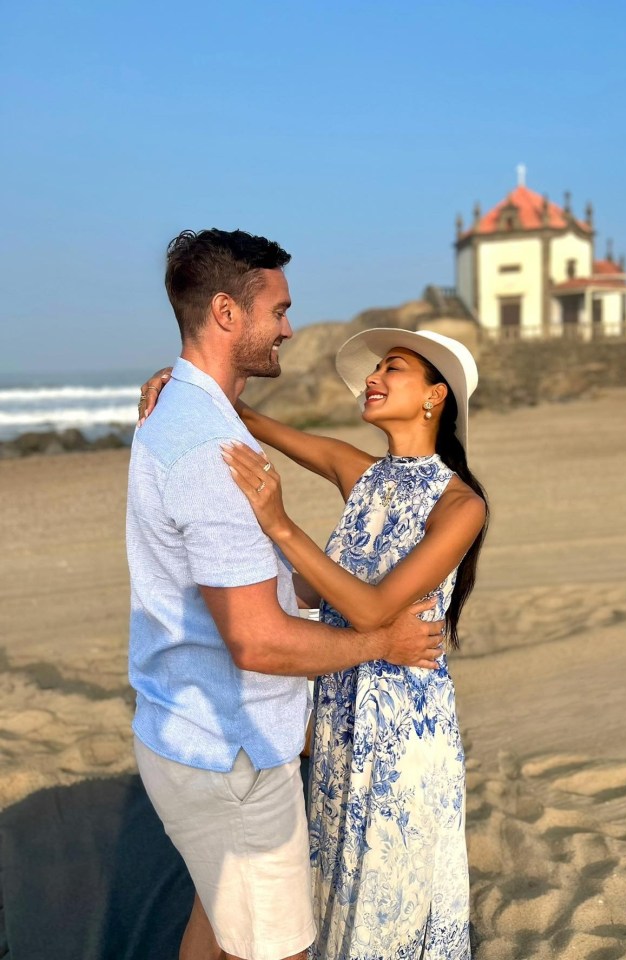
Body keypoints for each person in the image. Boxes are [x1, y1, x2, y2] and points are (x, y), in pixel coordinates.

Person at [128, 229, 444, 960]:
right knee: (277, 951)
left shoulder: (189, 421)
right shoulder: (208, 448)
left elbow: (265, 575)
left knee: (218, 927)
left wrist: (181, 380)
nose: (289, 328)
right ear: (227, 314)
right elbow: (258, 639)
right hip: (229, 751)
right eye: (278, 310)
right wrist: (380, 643)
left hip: (212, 730)